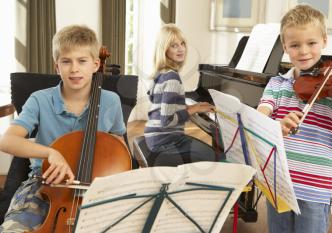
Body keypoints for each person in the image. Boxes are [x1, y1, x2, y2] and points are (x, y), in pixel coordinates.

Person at [0, 25, 126, 232]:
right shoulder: (40, 100)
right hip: (44, 184)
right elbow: (7, 141)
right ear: (57, 67)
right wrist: (51, 153)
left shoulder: (111, 101)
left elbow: (119, 144)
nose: (74, 69)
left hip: (96, 188)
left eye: (82, 61)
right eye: (66, 61)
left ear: (95, 64)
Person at [257, 4, 332, 233]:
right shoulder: (277, 84)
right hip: (279, 185)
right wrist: (274, 126)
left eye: (312, 43)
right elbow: (258, 120)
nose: (304, 51)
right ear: (284, 46)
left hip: (314, 192)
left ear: (325, 41)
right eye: (295, 45)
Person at [144, 24, 218, 166]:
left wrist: (183, 106)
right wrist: (193, 109)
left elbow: (158, 103)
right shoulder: (172, 78)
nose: (181, 48)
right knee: (212, 156)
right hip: (165, 141)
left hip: (154, 137)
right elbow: (167, 121)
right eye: (173, 45)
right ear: (164, 50)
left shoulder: (161, 74)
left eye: (182, 43)